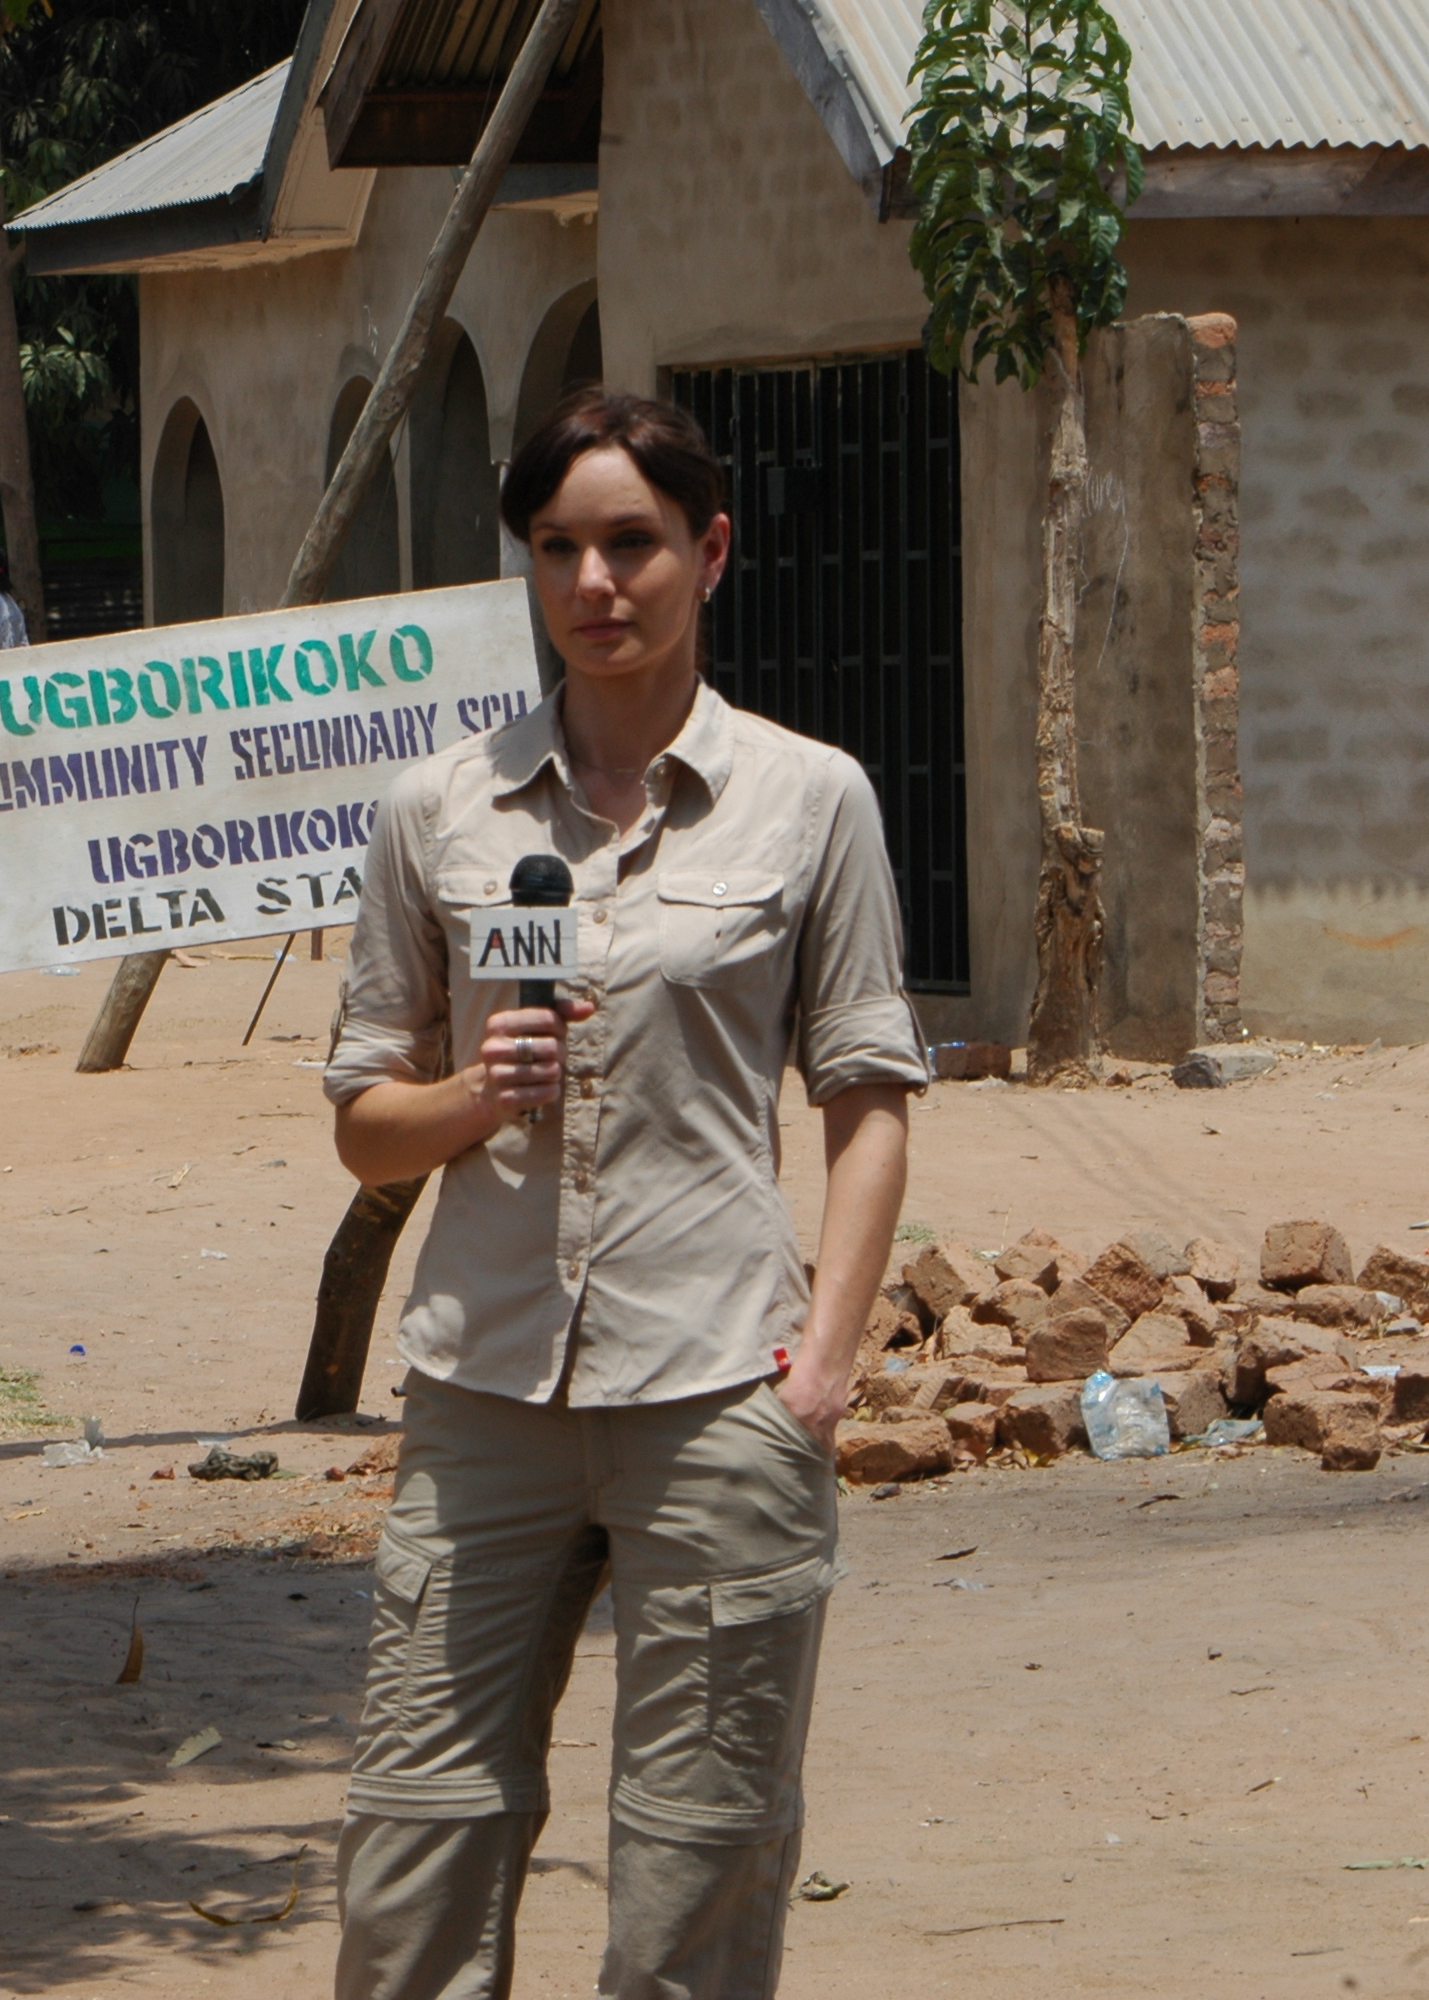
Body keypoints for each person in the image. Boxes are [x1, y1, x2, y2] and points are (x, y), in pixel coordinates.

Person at [321, 386, 924, 2000]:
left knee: (695, 1871)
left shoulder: (813, 801)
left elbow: (865, 1101)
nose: (596, 582)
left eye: (632, 544)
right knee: (411, 1855)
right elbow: (362, 1125)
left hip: (721, 1386)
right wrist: (470, 1091)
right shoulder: (437, 814)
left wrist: (825, 1364)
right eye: (558, 548)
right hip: (480, 1392)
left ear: (708, 552)